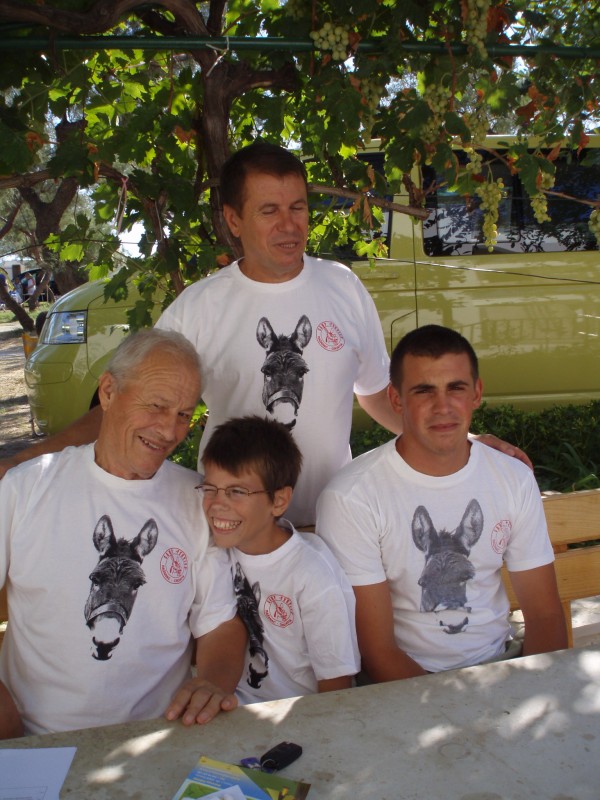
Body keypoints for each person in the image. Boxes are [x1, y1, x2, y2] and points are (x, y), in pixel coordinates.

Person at [0, 142, 531, 526]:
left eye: (297, 208)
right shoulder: (200, 307)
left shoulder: (343, 287)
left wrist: (464, 443)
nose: (289, 225)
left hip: (334, 523)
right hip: (236, 529)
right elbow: (124, 404)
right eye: (269, 211)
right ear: (234, 220)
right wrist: (30, 459)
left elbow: (376, 396)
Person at [0, 329, 246, 738]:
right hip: (37, 741)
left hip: (156, 739)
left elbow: (220, 624)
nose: (169, 431)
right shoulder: (26, 489)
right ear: (109, 392)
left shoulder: (198, 500)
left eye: (183, 414)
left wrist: (211, 683)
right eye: (157, 406)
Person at [316, 325, 568, 681]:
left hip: (504, 664)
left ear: (476, 393)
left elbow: (544, 615)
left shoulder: (512, 477)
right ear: (396, 399)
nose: (442, 406)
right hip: (403, 685)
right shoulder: (352, 497)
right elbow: (378, 651)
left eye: (456, 388)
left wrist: (533, 689)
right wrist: (456, 709)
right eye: (424, 391)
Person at [199, 415, 360, 704]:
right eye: (210, 489)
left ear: (279, 501)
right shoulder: (216, 552)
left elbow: (336, 684)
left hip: (298, 715)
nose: (218, 504)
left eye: (237, 491)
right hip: (230, 709)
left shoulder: (311, 573)